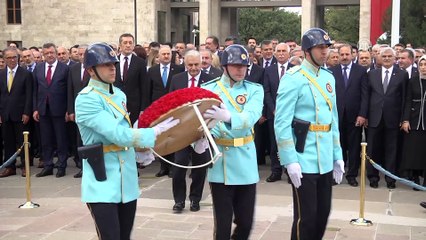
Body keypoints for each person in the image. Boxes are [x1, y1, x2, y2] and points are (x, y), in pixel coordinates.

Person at [75, 43, 179, 240]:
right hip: (102, 180)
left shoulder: (119, 94)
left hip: (127, 179)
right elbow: (116, 134)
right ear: (91, 70)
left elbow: (126, 133)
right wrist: (152, 133)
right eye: (106, 64)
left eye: (113, 63)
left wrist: (140, 151)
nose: (112, 67)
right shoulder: (86, 99)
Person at [274, 28, 345, 240]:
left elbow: (332, 120)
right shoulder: (293, 78)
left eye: (327, 47)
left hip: (324, 157)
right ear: (307, 51)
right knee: (306, 218)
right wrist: (289, 160)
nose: (325, 52)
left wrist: (337, 155)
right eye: (320, 48)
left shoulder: (328, 77)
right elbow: (282, 122)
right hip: (303, 157)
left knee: (323, 214)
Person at [202, 44, 264, 240]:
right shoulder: (208, 88)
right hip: (221, 161)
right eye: (236, 65)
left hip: (245, 157)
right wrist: (200, 138)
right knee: (222, 225)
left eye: (244, 66)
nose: (241, 70)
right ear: (225, 66)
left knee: (246, 223)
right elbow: (198, 120)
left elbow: (251, 117)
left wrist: (228, 117)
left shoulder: (255, 90)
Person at [169, 50, 213, 213]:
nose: (193, 68)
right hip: (181, 131)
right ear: (185, 64)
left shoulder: (210, 80)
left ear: (201, 63)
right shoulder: (177, 79)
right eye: (190, 65)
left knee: (200, 167)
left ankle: (195, 199)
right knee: (179, 166)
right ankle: (179, 201)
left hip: (201, 131)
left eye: (196, 64)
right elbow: (170, 103)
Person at [366, 47, 409, 189]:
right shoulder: (372, 74)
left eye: (389, 56)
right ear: (379, 57)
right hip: (374, 118)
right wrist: (365, 116)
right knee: (373, 149)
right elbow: (367, 97)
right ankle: (373, 177)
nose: (386, 58)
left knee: (391, 150)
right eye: (383, 56)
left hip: (393, 118)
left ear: (394, 57)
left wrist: (403, 118)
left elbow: (404, 98)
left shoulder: (402, 75)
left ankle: (391, 179)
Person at [330, 44, 368, 187]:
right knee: (337, 146)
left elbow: (365, 95)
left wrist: (362, 114)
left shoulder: (361, 71)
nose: (345, 57)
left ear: (353, 55)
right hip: (336, 116)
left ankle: (351, 175)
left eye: (347, 54)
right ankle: (337, 174)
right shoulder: (331, 71)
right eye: (342, 55)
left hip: (355, 116)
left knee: (353, 147)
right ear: (338, 55)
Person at [33, 43, 70, 178]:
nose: (49, 55)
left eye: (52, 52)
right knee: (46, 139)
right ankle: (48, 165)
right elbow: (35, 90)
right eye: (47, 53)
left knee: (61, 139)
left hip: (59, 109)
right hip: (43, 109)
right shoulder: (38, 68)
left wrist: (68, 109)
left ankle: (61, 166)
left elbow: (68, 91)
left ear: (55, 53)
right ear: (43, 54)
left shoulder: (64, 69)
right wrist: (35, 108)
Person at [263, 43, 294, 182]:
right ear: (275, 53)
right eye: (279, 51)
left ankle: (289, 170)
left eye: (284, 51)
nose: (281, 53)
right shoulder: (268, 71)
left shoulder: (295, 70)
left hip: (290, 114)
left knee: (288, 141)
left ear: (289, 54)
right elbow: (266, 92)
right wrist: (273, 109)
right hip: (273, 114)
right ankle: (276, 171)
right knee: (274, 143)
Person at [0, 47, 32, 178]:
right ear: (4, 59)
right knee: (8, 142)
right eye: (9, 58)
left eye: (14, 57)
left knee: (23, 142)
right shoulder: (1, 74)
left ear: (18, 58)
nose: (12, 60)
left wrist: (26, 112)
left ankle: (25, 166)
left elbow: (29, 95)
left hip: (21, 114)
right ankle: (10, 167)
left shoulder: (26, 74)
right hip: (5, 114)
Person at [400, 55, 426, 188]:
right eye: (421, 65)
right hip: (414, 120)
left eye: (425, 65)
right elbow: (407, 100)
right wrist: (405, 120)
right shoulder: (413, 80)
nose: (423, 68)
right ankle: (414, 178)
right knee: (414, 152)